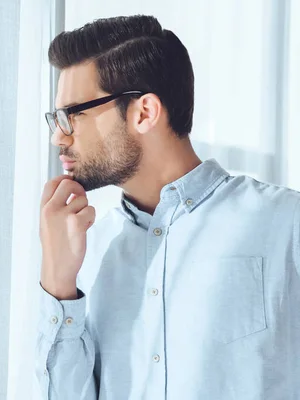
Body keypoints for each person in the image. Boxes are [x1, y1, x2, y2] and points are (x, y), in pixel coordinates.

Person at [36, 14, 300, 400]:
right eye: (56, 118)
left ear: (144, 112)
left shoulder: (284, 225)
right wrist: (58, 286)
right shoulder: (85, 251)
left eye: (73, 115)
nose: (58, 136)